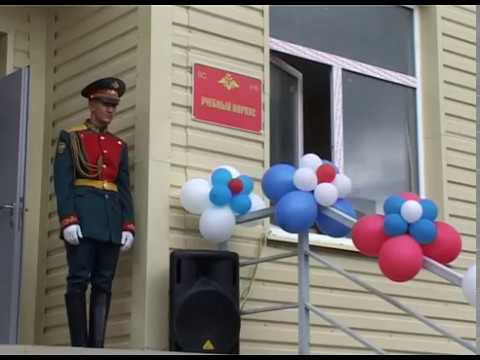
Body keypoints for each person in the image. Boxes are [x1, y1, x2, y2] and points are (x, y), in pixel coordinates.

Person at [53, 77, 135, 348]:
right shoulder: (72, 137)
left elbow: (124, 188)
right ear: (92, 104)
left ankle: (96, 347)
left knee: (104, 282)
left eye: (114, 105)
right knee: (78, 279)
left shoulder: (119, 145)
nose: (110, 110)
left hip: (111, 220)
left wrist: (128, 225)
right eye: (105, 104)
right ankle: (79, 345)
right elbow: (63, 183)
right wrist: (68, 219)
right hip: (83, 218)